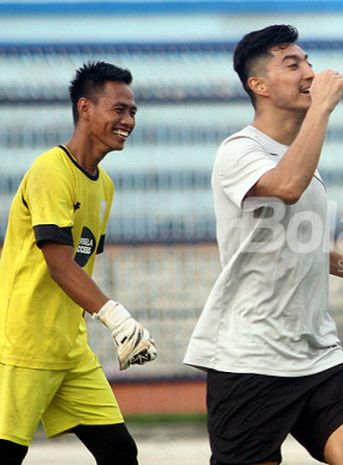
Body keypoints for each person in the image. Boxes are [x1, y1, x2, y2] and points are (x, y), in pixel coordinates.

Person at [183, 24, 343, 465]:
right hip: (251, 355)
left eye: (308, 62)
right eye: (292, 63)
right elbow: (287, 187)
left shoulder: (301, 157)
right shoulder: (239, 151)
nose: (309, 72)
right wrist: (321, 109)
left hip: (314, 349)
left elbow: (298, 239)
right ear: (257, 85)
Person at [0, 61, 158, 465]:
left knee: (120, 453)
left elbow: (81, 267)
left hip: (69, 350)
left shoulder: (104, 185)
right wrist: (117, 318)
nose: (128, 120)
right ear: (85, 108)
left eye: (133, 112)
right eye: (119, 109)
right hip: (22, 345)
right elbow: (59, 264)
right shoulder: (51, 170)